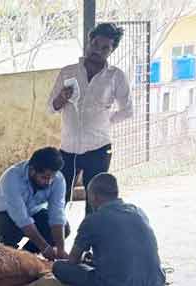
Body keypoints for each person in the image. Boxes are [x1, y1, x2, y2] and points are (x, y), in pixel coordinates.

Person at [48, 22, 133, 215]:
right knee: (58, 199)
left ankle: (91, 243)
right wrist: (61, 98)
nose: (97, 50)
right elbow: (50, 108)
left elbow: (127, 110)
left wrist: (105, 121)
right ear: (89, 42)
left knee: (96, 202)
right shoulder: (68, 72)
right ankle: (53, 242)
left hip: (99, 148)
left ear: (112, 50)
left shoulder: (116, 77)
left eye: (105, 47)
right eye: (95, 44)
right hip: (68, 149)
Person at [53, 173, 166, 286]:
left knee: (59, 267)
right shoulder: (138, 211)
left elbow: (73, 260)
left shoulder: (93, 220)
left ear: (94, 196)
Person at [0, 147, 70, 260]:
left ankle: (26, 255)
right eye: (44, 177)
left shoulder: (58, 179)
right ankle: (10, 253)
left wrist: (60, 249)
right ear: (32, 170)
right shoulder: (12, 177)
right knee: (9, 229)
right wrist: (45, 248)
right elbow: (21, 218)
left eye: (52, 178)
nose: (48, 182)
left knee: (64, 229)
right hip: (1, 215)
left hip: (33, 212)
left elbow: (57, 215)